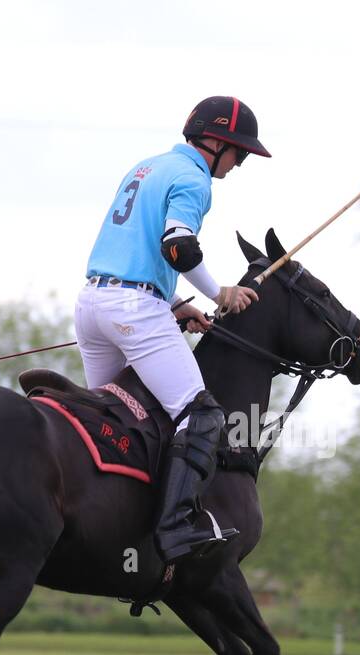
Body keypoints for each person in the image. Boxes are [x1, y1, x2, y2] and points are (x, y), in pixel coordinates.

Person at [74, 96, 271, 562]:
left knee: (115, 421)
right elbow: (178, 246)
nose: (239, 163)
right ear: (217, 143)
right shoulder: (194, 179)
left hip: (93, 303)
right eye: (240, 153)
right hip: (134, 309)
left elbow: (137, 246)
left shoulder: (147, 168)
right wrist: (219, 293)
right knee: (202, 416)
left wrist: (178, 304)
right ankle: (176, 530)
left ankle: (109, 522)